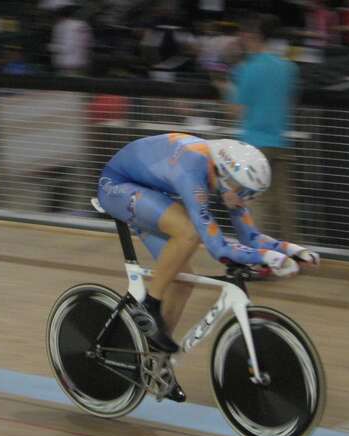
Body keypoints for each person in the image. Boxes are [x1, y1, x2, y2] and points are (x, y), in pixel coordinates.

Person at [97, 133, 320, 398]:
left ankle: (155, 363)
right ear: (228, 178)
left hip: (148, 190)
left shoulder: (226, 180)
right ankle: (148, 308)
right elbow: (219, 249)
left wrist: (292, 250)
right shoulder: (194, 169)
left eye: (253, 196)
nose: (246, 201)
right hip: (118, 186)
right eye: (245, 193)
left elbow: (251, 237)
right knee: (189, 233)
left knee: (183, 280)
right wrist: (268, 259)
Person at [215, 13, 300, 241]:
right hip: (281, 142)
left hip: (254, 145)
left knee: (255, 203)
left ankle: (262, 258)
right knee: (284, 203)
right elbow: (290, 101)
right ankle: (294, 253)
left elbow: (236, 111)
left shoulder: (245, 70)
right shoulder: (288, 68)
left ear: (250, 36)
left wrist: (223, 86)